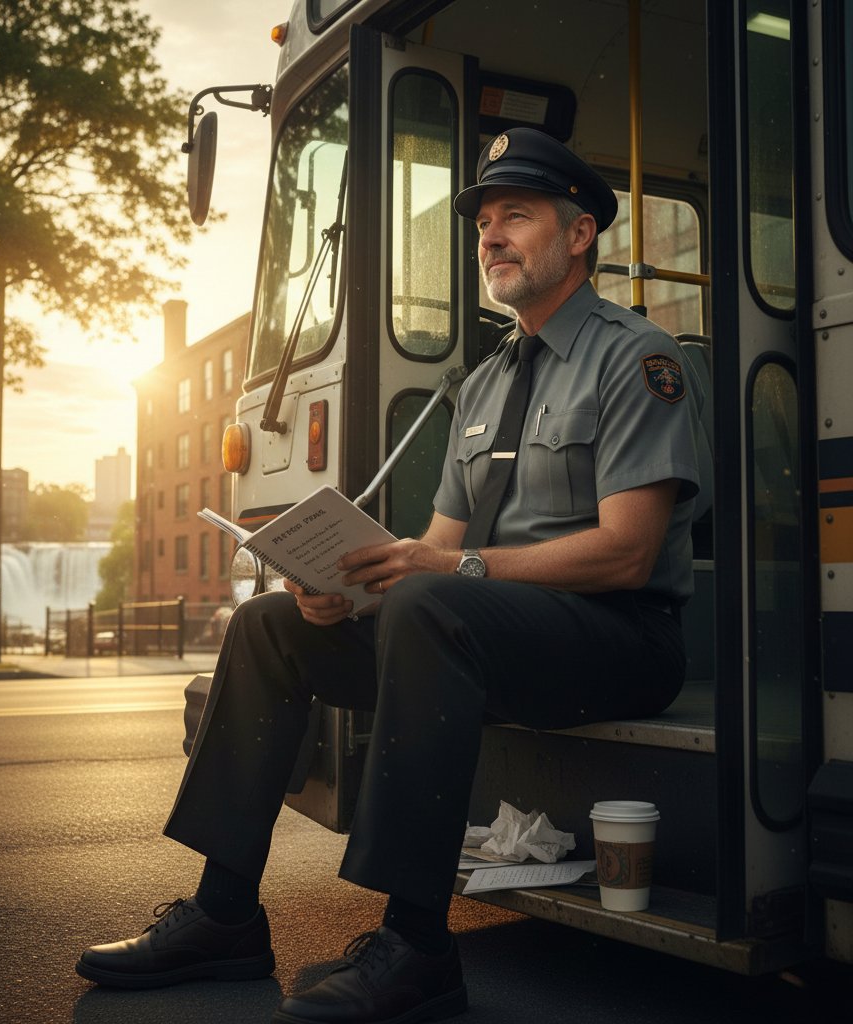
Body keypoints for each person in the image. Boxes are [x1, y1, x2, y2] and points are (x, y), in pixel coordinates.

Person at [75, 127, 705, 1024]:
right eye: (483, 221)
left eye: (515, 216)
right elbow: (440, 541)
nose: (489, 236)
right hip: (493, 633)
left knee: (433, 600)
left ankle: (417, 945)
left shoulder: (638, 357)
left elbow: (627, 551)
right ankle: (223, 914)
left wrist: (443, 567)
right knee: (272, 627)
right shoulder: (481, 386)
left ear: (579, 236)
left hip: (623, 636)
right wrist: (347, 591)